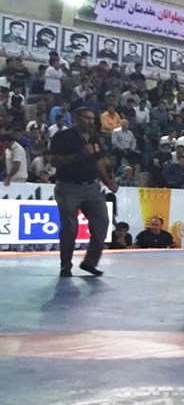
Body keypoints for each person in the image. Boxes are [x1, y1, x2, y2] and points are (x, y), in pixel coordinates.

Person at [46, 107, 115, 277]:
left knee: (102, 222)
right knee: (70, 227)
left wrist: (108, 181)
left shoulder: (93, 137)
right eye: (86, 118)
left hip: (91, 187)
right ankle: (66, 266)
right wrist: (80, 155)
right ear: (76, 119)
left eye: (92, 118)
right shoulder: (62, 137)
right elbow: (54, 161)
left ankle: (89, 262)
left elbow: (98, 162)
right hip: (68, 187)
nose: (90, 121)